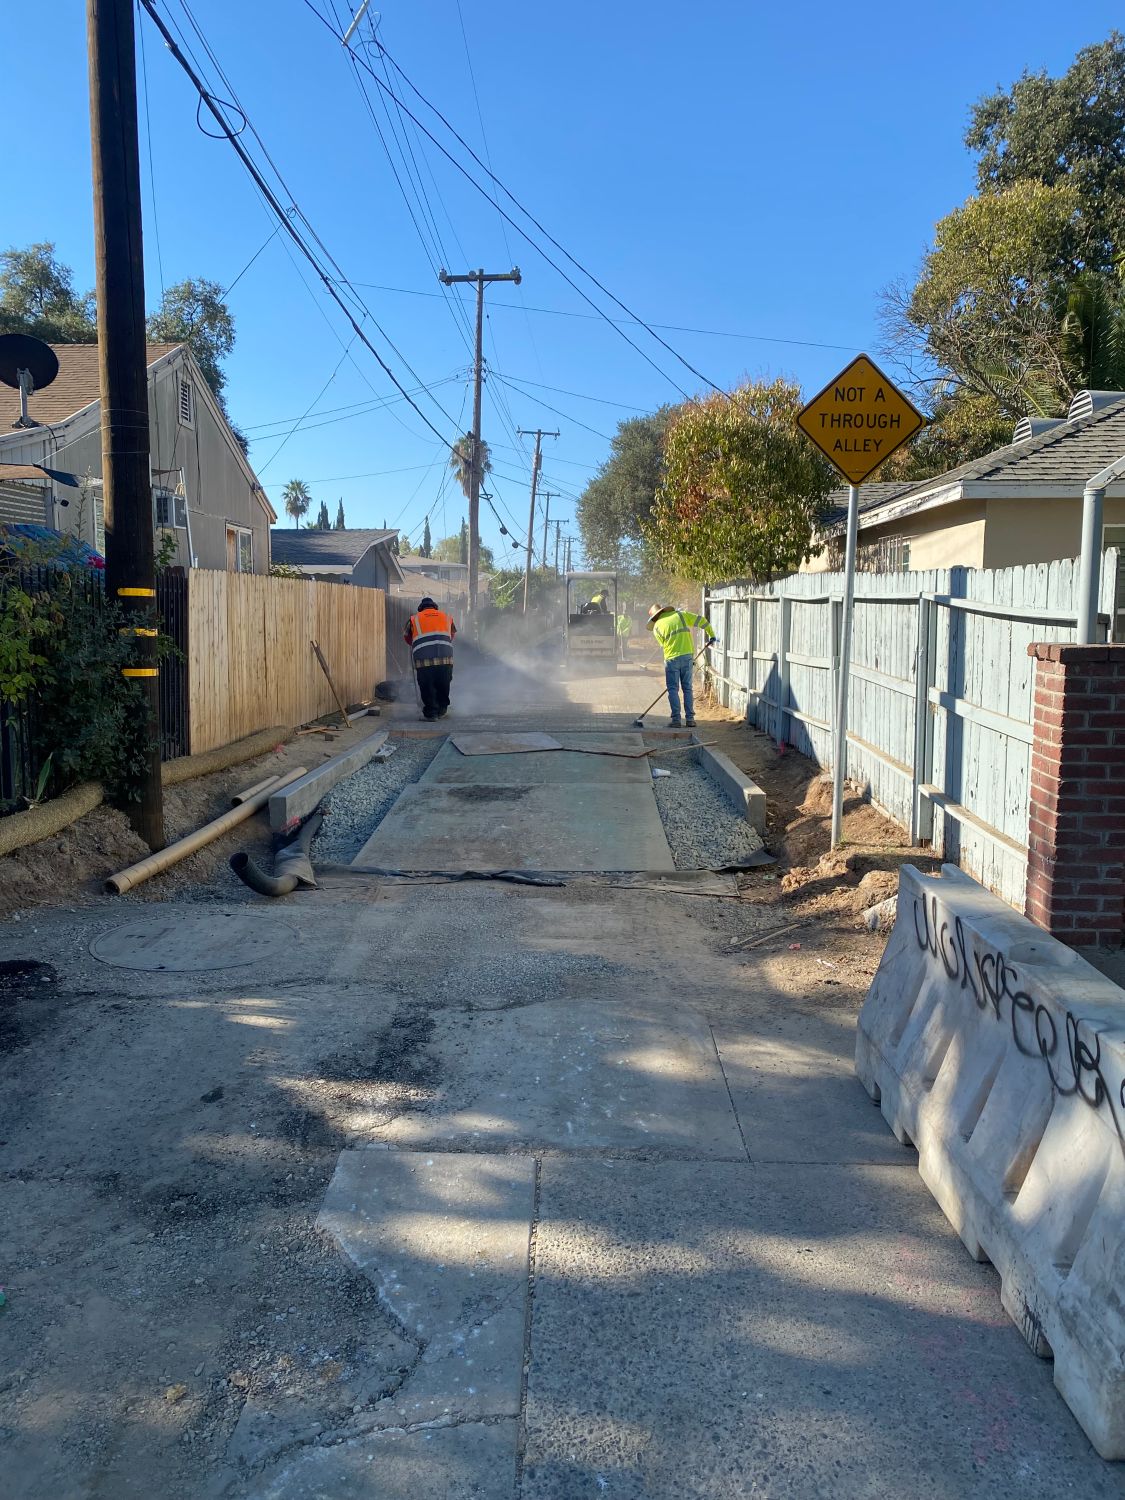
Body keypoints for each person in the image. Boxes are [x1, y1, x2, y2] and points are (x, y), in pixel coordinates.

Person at [646, 604, 717, 728]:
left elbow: (663, 644)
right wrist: (711, 635)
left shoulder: (656, 627)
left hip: (671, 659)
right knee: (687, 688)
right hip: (687, 657)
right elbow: (702, 621)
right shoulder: (681, 615)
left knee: (673, 689)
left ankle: (676, 720)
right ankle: (690, 719)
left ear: (654, 617)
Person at [404, 596, 456, 721]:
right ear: (435, 607)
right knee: (443, 683)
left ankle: (431, 713)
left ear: (421, 608)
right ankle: (442, 709)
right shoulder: (447, 617)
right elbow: (452, 634)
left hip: (424, 659)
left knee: (427, 684)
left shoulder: (413, 619)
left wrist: (416, 644)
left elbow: (407, 637)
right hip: (445, 657)